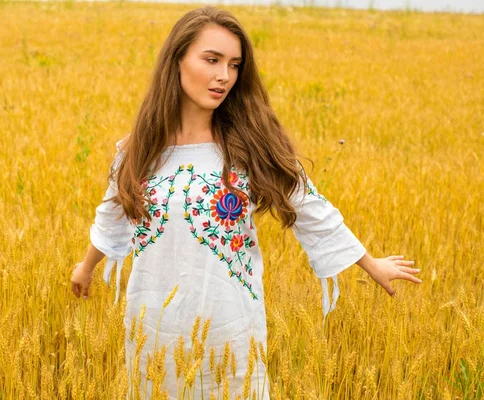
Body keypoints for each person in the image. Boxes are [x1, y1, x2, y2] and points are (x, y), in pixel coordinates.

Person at [70, 6, 421, 399]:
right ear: (177, 60)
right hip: (153, 328)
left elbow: (307, 204)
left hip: (229, 330)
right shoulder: (140, 150)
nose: (224, 76)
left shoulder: (247, 147)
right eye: (212, 60)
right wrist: (86, 268)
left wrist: (370, 264)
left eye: (234, 65)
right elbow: (113, 211)